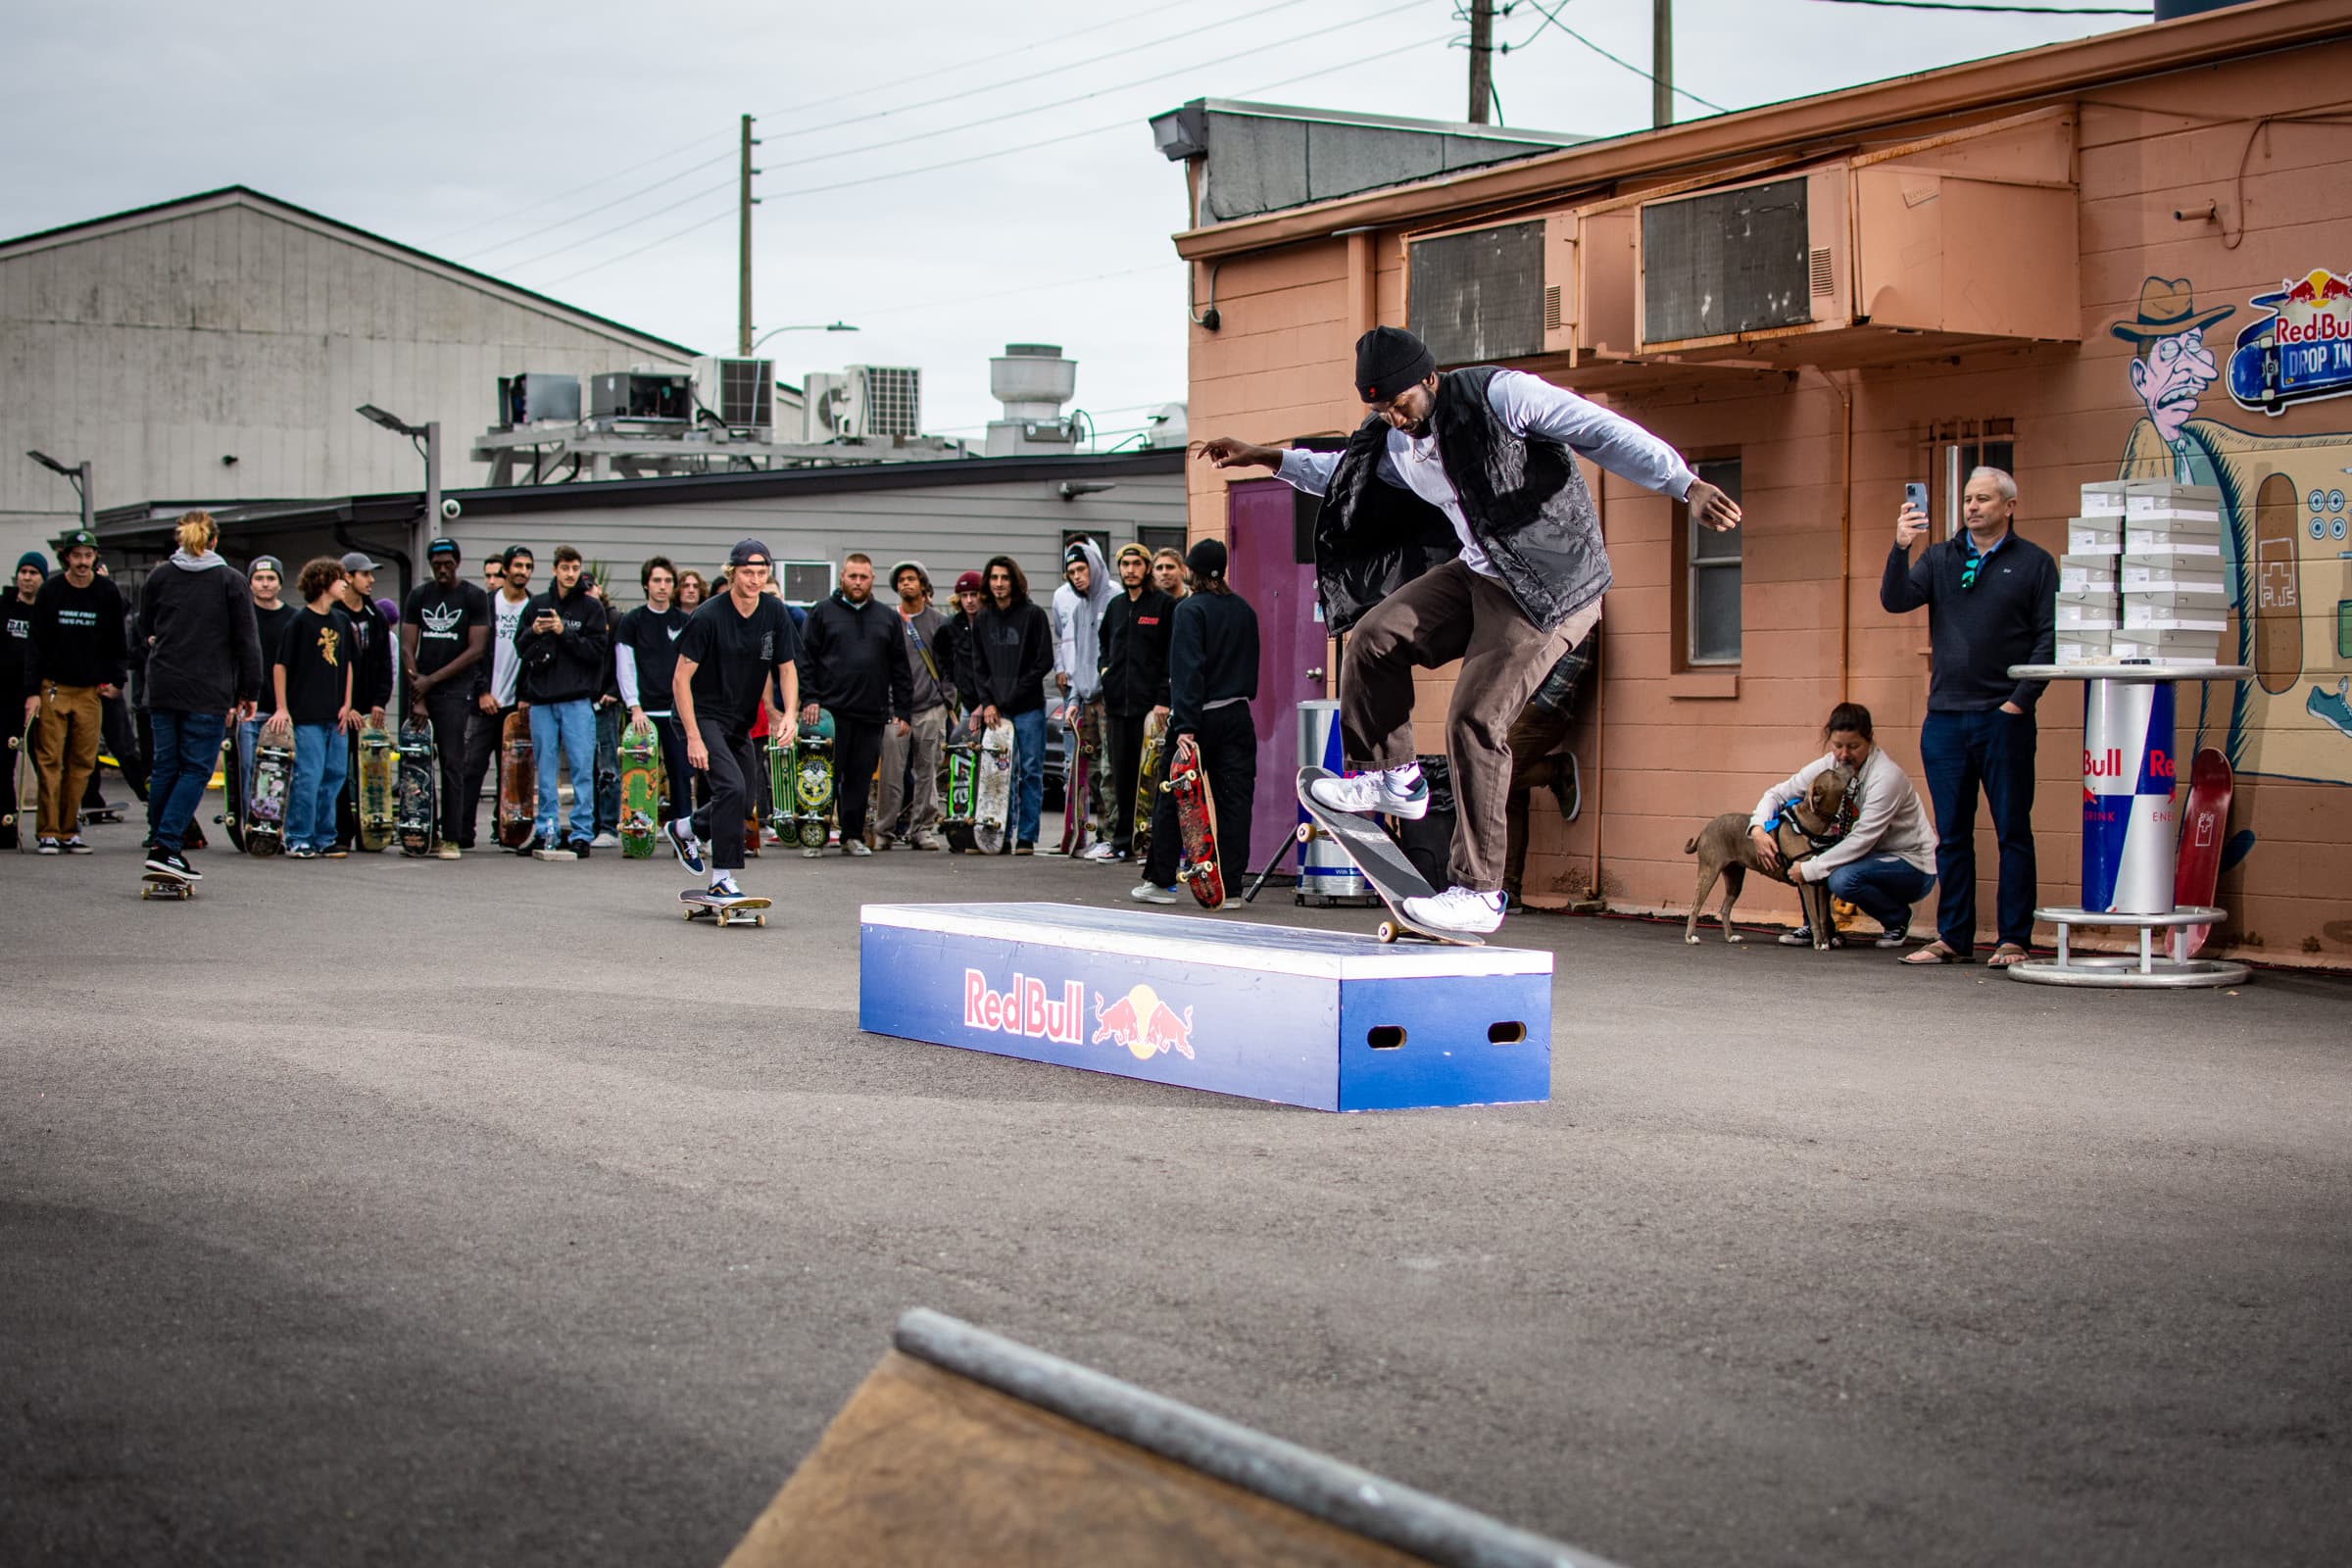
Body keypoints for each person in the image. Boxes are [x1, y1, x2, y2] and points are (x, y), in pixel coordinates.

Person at [1197, 324, 1739, 935]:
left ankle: (1478, 890)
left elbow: (1600, 430)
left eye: (1400, 403)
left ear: (1430, 379)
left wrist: (1683, 483)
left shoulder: (1502, 396)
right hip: (1480, 572)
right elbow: (1342, 473)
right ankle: (1389, 778)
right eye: (1380, 409)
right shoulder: (1394, 440)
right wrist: (1265, 457)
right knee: (1374, 638)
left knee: (1474, 718)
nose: (1395, 418)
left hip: (1552, 586)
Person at [1882, 466, 2057, 967]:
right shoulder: (1940, 557)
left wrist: (2020, 700)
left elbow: (2050, 635)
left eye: (1983, 499)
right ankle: (1953, 937)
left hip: (2004, 717)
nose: (1972, 507)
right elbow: (1895, 601)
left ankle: (2012, 939)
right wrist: (1900, 547)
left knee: (2012, 830)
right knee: (1952, 835)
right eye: (1967, 499)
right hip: (1945, 719)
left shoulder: (2034, 564)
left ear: (2009, 506)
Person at [665, 537, 800, 902]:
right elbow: (680, 679)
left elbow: (786, 668)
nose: (754, 580)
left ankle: (684, 829)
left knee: (743, 802)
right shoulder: (708, 616)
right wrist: (693, 736)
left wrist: (789, 714)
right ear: (732, 572)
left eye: (761, 572)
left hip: (739, 720)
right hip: (702, 715)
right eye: (747, 572)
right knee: (730, 788)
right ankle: (722, 878)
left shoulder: (774, 612)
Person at [1748, 702, 1937, 953]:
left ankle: (1897, 918)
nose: (1844, 754)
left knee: (1840, 878)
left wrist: (1811, 868)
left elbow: (1862, 839)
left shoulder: (1886, 777)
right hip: (1867, 857)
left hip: (1911, 864)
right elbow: (1777, 794)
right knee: (1811, 855)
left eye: (1854, 746)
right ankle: (1817, 926)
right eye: (1838, 746)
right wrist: (1758, 828)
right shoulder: (1830, 765)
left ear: (1869, 740)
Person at [134, 513, 263, 881]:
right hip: (207, 689)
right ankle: (166, 846)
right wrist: (249, 691)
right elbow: (246, 641)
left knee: (165, 767)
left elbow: (145, 627)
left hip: (163, 685)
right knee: (195, 768)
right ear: (215, 541)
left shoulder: (160, 576)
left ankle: (161, 843)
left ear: (180, 540)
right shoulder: (230, 580)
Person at [1132, 539, 1259, 904]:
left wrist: (1185, 725)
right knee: (1235, 802)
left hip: (1198, 717)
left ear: (1191, 571)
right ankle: (1231, 887)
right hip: (1237, 713)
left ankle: (1161, 881)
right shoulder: (1244, 610)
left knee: (1174, 798)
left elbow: (1187, 670)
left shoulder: (1189, 611)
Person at [796, 553, 910, 858]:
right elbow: (805, 659)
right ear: (842, 579)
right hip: (830, 714)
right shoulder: (822, 613)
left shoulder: (887, 618)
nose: (857, 582)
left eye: (863, 577)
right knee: (823, 778)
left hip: (871, 713)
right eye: (852, 576)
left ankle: (851, 836)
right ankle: (815, 837)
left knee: (859, 777)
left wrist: (903, 711)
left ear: (872, 580)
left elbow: (900, 667)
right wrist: (809, 698)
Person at [24, 529, 128, 854]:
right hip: (53, 687)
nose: (83, 562)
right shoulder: (52, 591)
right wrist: (32, 691)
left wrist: (117, 680)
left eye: (88, 555)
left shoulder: (107, 593)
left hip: (89, 691)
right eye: (76, 555)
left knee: (82, 762)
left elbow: (116, 641)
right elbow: (35, 644)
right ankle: (48, 832)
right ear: (66, 557)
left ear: (95, 557)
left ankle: (70, 831)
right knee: (49, 761)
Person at [513, 544, 610, 857]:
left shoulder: (591, 608)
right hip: (542, 699)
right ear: (554, 569)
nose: (570, 574)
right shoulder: (537, 604)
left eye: (575, 568)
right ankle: (547, 829)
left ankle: (582, 832)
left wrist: (562, 631)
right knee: (546, 767)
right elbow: (520, 648)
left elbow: (596, 652)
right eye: (565, 568)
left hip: (577, 699)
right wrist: (536, 631)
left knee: (582, 767)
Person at [400, 537, 492, 858]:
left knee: (453, 761)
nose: (442, 570)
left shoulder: (473, 597)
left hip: (455, 689)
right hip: (421, 689)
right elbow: (407, 645)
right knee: (420, 761)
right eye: (437, 565)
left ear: (457, 563)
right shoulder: (419, 596)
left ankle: (451, 836)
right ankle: (424, 831)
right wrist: (418, 694)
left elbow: (476, 649)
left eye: (448, 564)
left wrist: (431, 681)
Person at [1501, 626, 1597, 907]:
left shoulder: (1576, 598)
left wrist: (1541, 705)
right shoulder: (1524, 600)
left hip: (1542, 712)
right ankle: (1508, 890)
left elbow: (1579, 658)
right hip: (1510, 709)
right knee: (1508, 795)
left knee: (1496, 777)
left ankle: (1557, 770)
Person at [270, 557, 356, 859]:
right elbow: (280, 666)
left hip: (336, 716)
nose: (346, 583)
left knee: (334, 776)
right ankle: (299, 837)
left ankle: (325, 836)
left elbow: (346, 665)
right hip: (306, 715)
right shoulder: (299, 622)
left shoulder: (342, 621)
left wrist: (347, 704)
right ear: (323, 582)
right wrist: (282, 708)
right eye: (340, 578)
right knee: (308, 776)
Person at [970, 555, 1055, 853]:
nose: (999, 584)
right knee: (1000, 772)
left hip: (1029, 707)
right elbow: (978, 665)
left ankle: (1026, 837)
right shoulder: (983, 618)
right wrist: (988, 702)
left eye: (1004, 578)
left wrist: (1017, 691)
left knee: (1030, 771)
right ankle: (1000, 836)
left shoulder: (1033, 615)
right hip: (997, 712)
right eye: (994, 578)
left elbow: (1044, 660)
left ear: (1014, 581)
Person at [1095, 543, 1173, 863]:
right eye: (1125, 564)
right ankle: (1123, 842)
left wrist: (1163, 699)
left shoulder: (1164, 606)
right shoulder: (1114, 607)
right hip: (1117, 707)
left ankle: (1150, 844)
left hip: (1149, 708)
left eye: (1136, 564)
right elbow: (1104, 645)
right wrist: (1105, 672)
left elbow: (1170, 654)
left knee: (1151, 779)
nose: (1130, 570)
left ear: (1147, 567)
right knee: (1122, 776)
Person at [458, 547, 535, 850]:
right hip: (485, 702)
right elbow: (473, 652)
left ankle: (508, 832)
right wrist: (481, 690)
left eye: (528, 566)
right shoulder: (486, 605)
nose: (523, 571)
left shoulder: (533, 607)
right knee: (471, 767)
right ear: (505, 569)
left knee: (514, 775)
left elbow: (536, 656)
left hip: (516, 707)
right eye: (517, 565)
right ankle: (463, 832)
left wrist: (526, 695)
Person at [877, 560, 950, 851]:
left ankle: (922, 828)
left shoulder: (938, 622)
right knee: (892, 774)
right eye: (901, 580)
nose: (906, 584)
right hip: (896, 710)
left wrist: (946, 700)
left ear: (923, 584)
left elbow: (948, 666)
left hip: (931, 706)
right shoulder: (888, 620)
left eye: (911, 579)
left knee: (927, 771)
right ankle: (885, 830)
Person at [615, 556, 693, 826]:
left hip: (676, 712)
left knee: (681, 775)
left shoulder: (685, 621)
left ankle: (683, 833)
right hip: (643, 714)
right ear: (646, 584)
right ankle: (638, 828)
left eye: (668, 581)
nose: (663, 586)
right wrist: (634, 706)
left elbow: (694, 666)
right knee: (638, 775)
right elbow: (625, 665)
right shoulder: (632, 621)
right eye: (657, 580)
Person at [1051, 538, 1116, 850]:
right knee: (1090, 773)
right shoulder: (1078, 608)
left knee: (1110, 771)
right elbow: (1077, 659)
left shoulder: (1114, 598)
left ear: (1094, 567)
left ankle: (1111, 834)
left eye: (1081, 569)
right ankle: (1097, 833)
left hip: (1109, 698)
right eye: (1071, 571)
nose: (1077, 576)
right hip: (1086, 698)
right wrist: (1074, 699)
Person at [330, 551, 393, 851]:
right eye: (365, 574)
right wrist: (346, 705)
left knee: (370, 773)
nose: (371, 580)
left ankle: (371, 832)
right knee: (339, 773)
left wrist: (380, 702)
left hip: (369, 709)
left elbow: (385, 663)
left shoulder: (375, 616)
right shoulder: (333, 614)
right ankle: (343, 832)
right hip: (341, 710)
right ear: (348, 577)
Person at [3, 552, 44, 849]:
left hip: (39, 699)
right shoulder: (4, 608)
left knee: (45, 761)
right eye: (23, 572)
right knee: (4, 764)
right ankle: (5, 825)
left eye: (33, 573)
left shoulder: (45, 611)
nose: (27, 577)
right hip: (5, 698)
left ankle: (52, 828)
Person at [582, 574, 623, 848]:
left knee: (607, 766)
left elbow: (622, 658)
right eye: (582, 590)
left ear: (599, 589)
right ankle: (590, 825)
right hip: (579, 701)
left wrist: (614, 691)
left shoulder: (615, 619)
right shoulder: (575, 618)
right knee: (584, 767)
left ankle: (608, 827)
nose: (588, 593)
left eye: (591, 588)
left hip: (606, 701)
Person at [934, 570, 986, 716]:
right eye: (964, 595)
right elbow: (940, 652)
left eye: (974, 594)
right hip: (968, 703)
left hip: (995, 703)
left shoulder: (993, 622)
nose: (969, 600)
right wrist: (954, 677)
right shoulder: (951, 625)